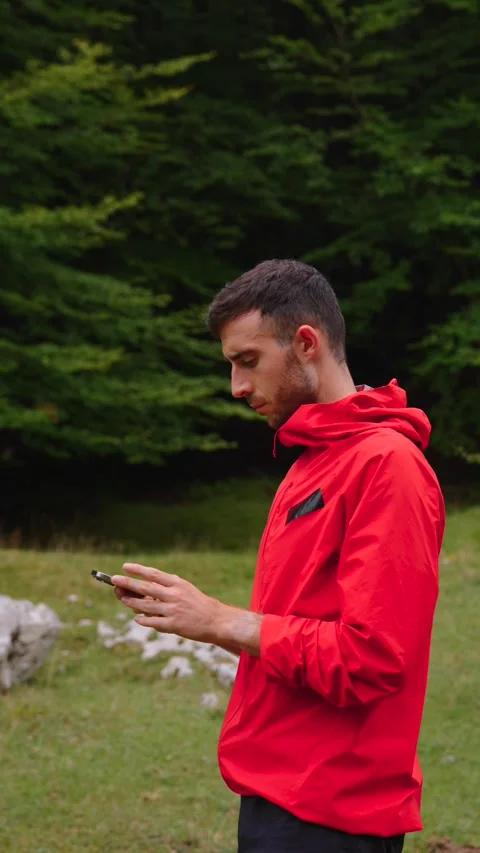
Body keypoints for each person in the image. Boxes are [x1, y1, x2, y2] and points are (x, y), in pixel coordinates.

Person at [112, 259, 445, 853]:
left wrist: (222, 621)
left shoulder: (387, 467)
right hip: (281, 792)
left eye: (248, 362)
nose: (238, 388)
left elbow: (373, 657)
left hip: (333, 813)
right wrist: (196, 615)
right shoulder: (311, 459)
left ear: (307, 344)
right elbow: (301, 616)